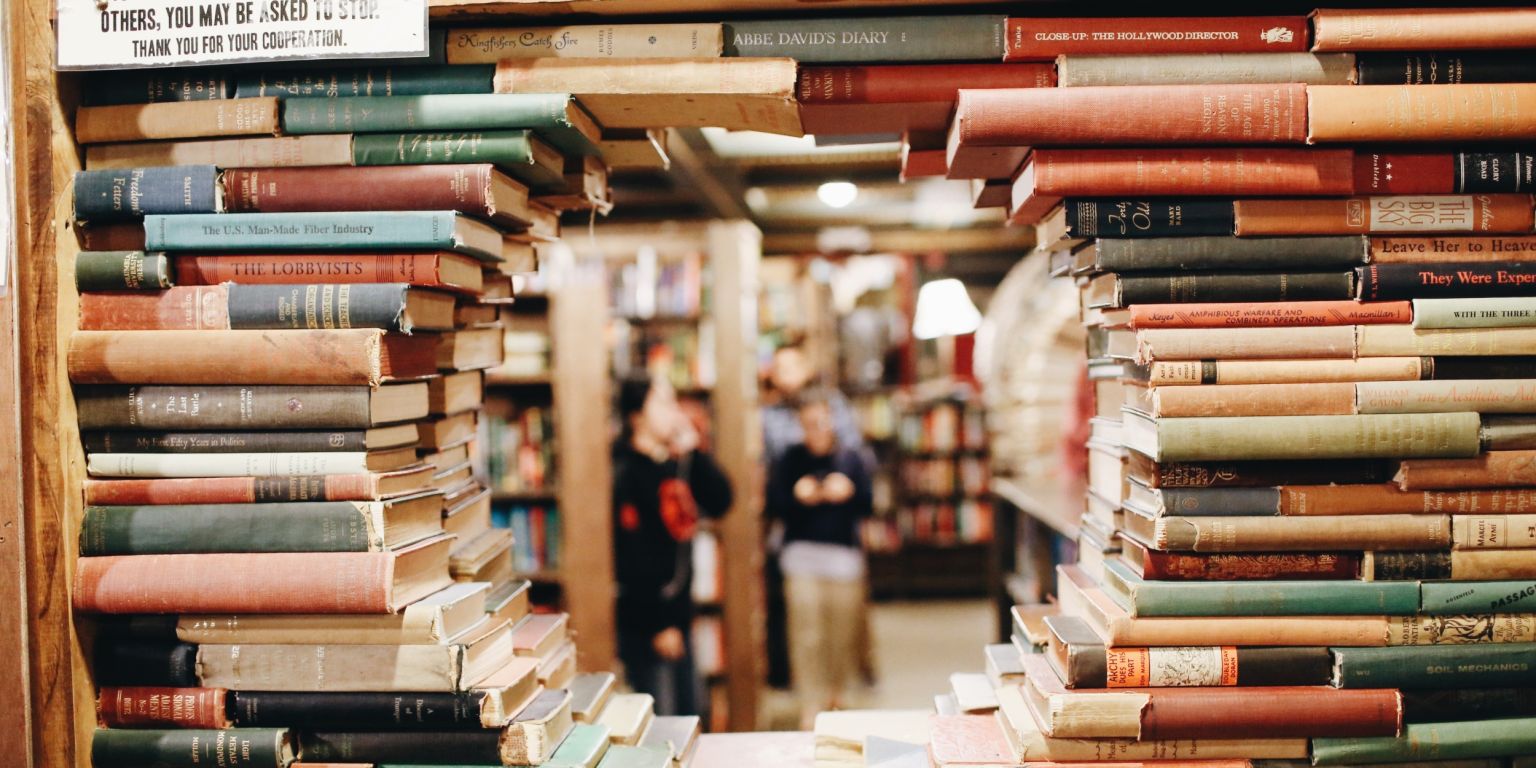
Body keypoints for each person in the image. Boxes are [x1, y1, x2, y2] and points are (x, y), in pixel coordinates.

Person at [612, 374, 734, 717]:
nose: (675, 412)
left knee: (693, 714)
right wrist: (658, 624)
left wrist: (695, 449)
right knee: (663, 723)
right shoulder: (623, 471)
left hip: (680, 617)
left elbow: (722, 500)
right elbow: (631, 555)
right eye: (663, 403)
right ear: (637, 415)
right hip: (647, 623)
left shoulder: (674, 464)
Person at [767, 390, 874, 728]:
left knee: (840, 635)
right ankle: (811, 701)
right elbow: (775, 503)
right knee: (806, 634)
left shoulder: (851, 458)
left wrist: (850, 491)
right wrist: (800, 496)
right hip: (801, 558)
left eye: (821, 422)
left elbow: (869, 504)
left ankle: (836, 695)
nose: (816, 429)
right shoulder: (789, 459)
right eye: (808, 423)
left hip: (843, 560)